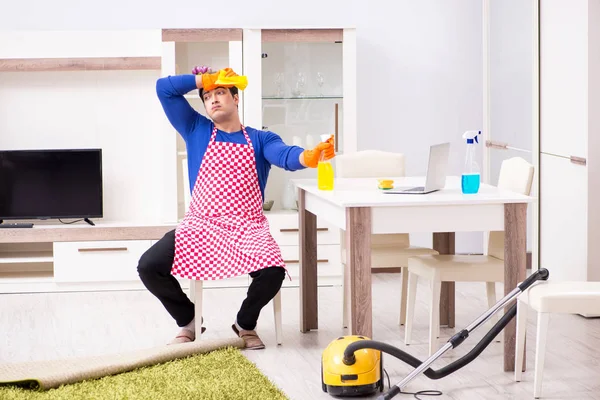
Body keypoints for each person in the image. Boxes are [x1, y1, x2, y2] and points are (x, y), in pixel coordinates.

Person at [137, 66, 335, 350]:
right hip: (200, 227)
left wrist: (309, 156)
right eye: (207, 96)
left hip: (248, 228)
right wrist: (200, 80)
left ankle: (245, 323)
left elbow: (286, 156)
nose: (213, 99)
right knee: (149, 265)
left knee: (273, 272)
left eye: (220, 92)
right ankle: (188, 320)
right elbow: (163, 89)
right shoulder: (196, 129)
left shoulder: (260, 139)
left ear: (236, 98)